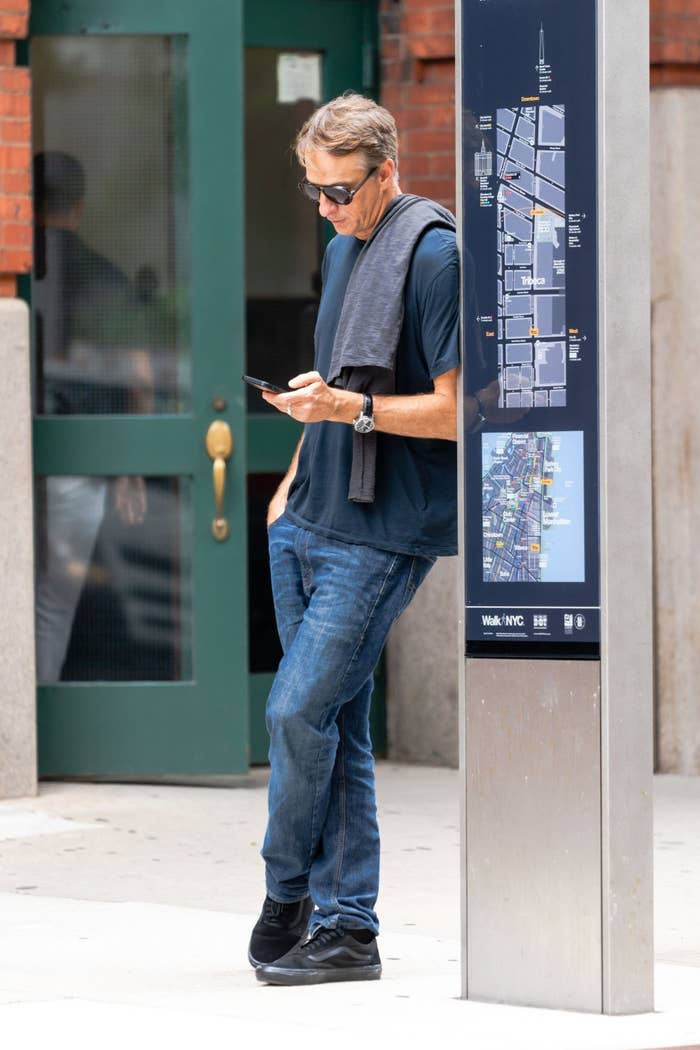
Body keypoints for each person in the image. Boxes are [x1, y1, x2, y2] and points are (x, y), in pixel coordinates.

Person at [248, 93, 494, 987]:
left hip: (382, 533)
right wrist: (287, 483)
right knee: (337, 726)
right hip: (308, 515)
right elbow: (339, 390)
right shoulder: (345, 248)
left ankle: (287, 894)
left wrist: (347, 408)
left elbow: (462, 412)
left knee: (295, 711)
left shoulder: (437, 256)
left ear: (387, 170)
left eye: (340, 192)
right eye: (313, 192)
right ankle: (349, 929)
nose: (327, 210)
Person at [32, 151, 150, 682]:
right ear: (78, 209)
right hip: (83, 463)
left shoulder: (21, 276)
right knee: (53, 601)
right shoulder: (105, 278)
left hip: (28, 453)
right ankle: (40, 713)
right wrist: (131, 467)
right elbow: (141, 376)